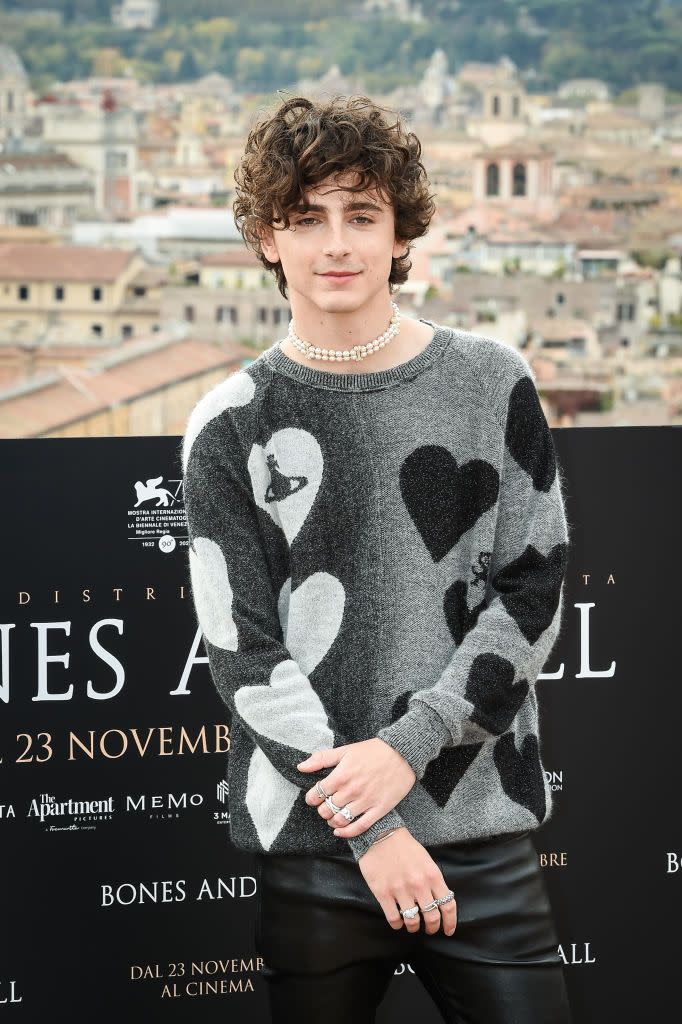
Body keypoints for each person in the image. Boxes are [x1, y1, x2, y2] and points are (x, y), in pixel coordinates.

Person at [181, 94, 573, 1023]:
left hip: (479, 828)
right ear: (268, 240)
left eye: (362, 213)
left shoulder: (490, 381)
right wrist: (375, 830)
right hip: (316, 853)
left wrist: (410, 749)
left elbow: (533, 587)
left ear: (400, 231)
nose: (337, 243)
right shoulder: (231, 424)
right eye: (305, 218)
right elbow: (245, 654)